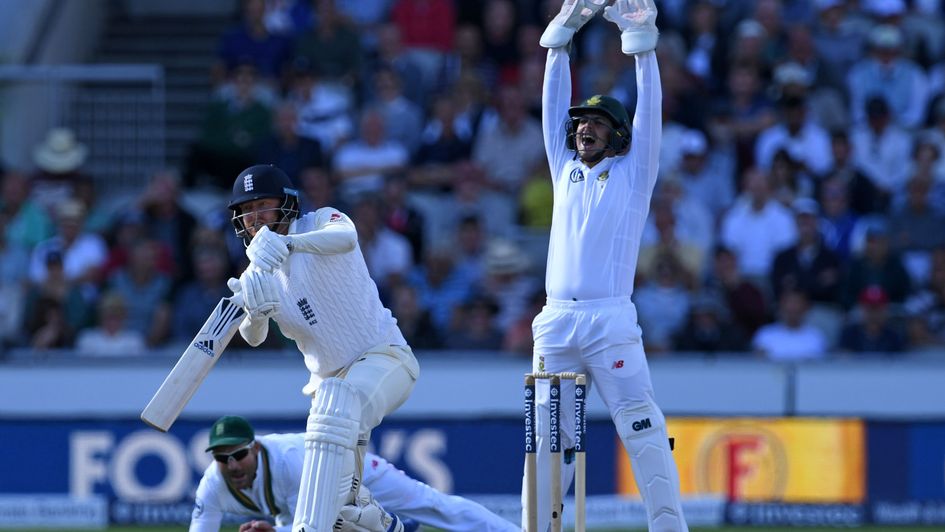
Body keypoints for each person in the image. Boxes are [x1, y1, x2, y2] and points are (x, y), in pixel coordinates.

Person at [529, 1, 687, 531]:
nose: (583, 130)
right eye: (582, 124)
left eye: (596, 123)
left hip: (610, 322)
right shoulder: (564, 168)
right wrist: (560, 41)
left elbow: (652, 116)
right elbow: (553, 109)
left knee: (642, 430)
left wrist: (643, 47)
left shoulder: (633, 172)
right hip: (555, 323)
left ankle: (669, 528)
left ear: (618, 134)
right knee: (548, 445)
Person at [224, 164, 420, 531]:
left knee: (335, 402)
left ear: (286, 204)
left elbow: (346, 237)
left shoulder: (320, 221)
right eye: (246, 211)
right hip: (331, 395)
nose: (255, 218)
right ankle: (382, 523)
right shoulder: (256, 273)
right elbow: (254, 338)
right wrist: (256, 311)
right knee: (343, 515)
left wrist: (287, 244)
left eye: (263, 205)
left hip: (385, 358)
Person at [191, 416, 517, 532]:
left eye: (238, 455)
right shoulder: (212, 486)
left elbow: (316, 520)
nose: (232, 465)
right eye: (222, 458)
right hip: (310, 502)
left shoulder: (288, 462)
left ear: (256, 448)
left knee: (433, 504)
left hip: (354, 470)